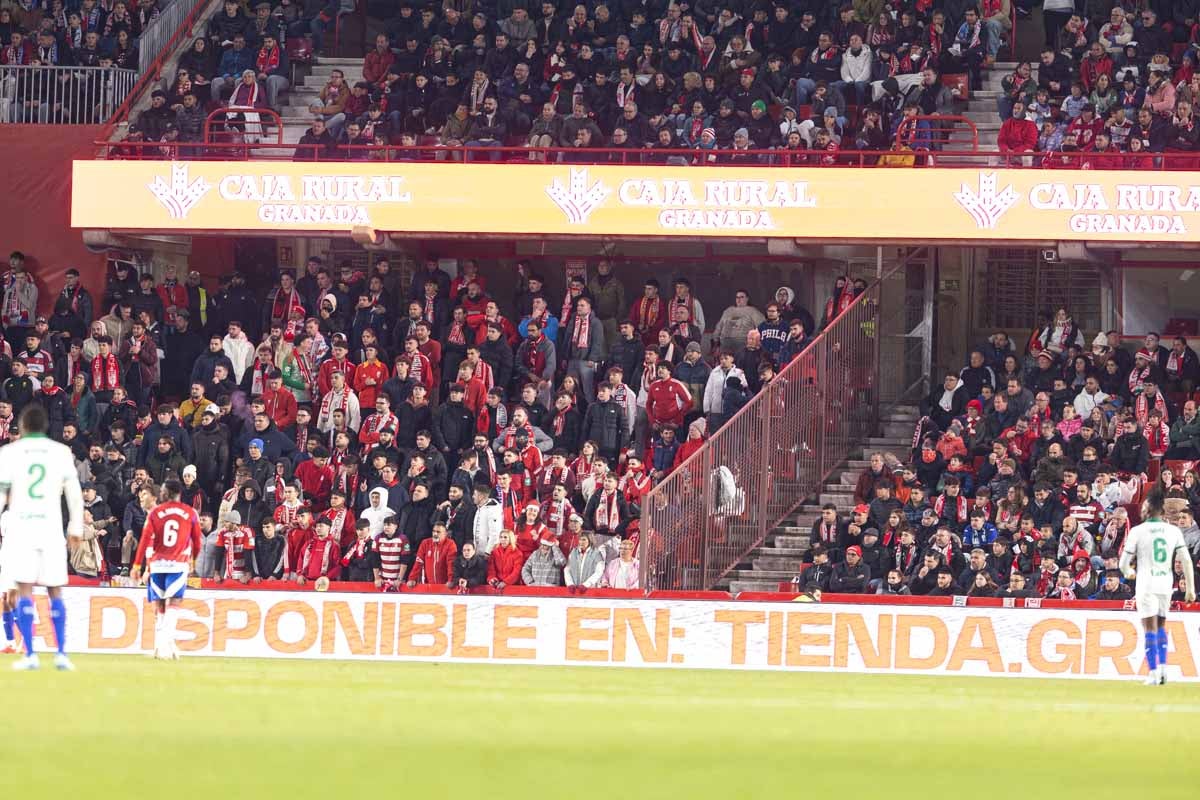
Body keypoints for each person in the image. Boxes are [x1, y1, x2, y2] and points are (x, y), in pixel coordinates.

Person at [0, 405, 85, 671]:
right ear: (45, 427)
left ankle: (31, 656)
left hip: (22, 527)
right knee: (55, 589)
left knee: (24, 588)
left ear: (23, 427)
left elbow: (2, 494)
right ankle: (61, 654)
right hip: (51, 528)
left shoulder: (9, 453)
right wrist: (75, 528)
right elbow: (74, 494)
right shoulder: (60, 452)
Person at [1120, 487, 1195, 685]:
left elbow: (1123, 563)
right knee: (1161, 626)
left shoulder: (1137, 531)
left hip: (1146, 583)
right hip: (1165, 583)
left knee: (1149, 628)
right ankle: (1163, 670)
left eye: (1144, 506)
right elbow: (1186, 561)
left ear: (1148, 509)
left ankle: (1153, 672)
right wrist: (1190, 589)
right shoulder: (1173, 531)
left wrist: (1128, 572)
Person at [130, 478, 206, 656]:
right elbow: (197, 541)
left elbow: (144, 541)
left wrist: (136, 565)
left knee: (160, 604)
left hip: (157, 564)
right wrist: (193, 561)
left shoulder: (156, 513)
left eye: (163, 490)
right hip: (178, 564)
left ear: (166, 493)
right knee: (174, 602)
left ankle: (161, 644)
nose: (161, 493)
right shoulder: (190, 512)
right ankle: (164, 643)